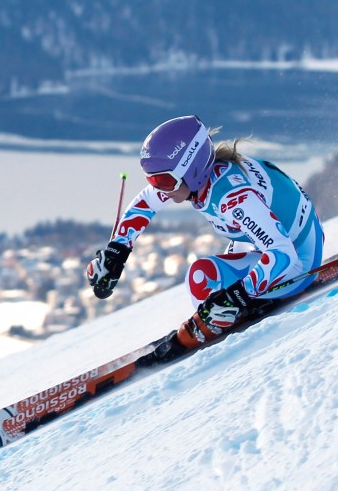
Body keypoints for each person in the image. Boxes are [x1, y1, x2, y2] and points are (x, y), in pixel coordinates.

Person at [86, 114, 324, 362]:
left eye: (164, 180)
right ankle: (231, 310)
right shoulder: (197, 181)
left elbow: (282, 253)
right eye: (152, 180)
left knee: (201, 276)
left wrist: (239, 295)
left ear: (193, 169)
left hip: (299, 262)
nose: (159, 190)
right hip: (274, 243)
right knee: (215, 288)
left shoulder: (232, 196)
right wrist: (118, 249)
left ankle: (231, 320)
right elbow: (145, 203)